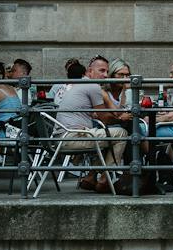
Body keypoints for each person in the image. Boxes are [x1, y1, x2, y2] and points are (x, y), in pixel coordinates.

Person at [54, 54, 127, 190]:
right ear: (89, 71)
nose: (106, 75)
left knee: (109, 136)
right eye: (101, 71)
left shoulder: (82, 83)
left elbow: (97, 114)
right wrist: (121, 118)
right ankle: (105, 179)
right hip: (71, 138)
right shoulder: (92, 86)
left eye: (107, 71)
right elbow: (105, 117)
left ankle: (91, 176)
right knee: (121, 134)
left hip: (63, 136)